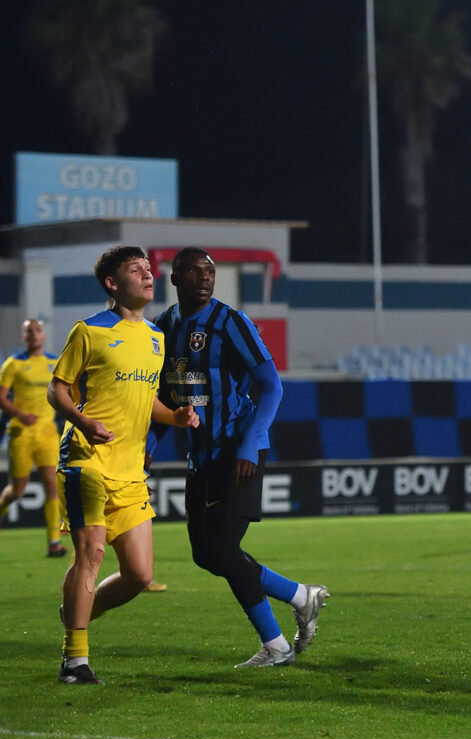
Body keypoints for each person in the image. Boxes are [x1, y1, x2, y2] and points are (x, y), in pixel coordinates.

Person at [149, 246, 328, 668]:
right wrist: (150, 447)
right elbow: (164, 398)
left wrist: (251, 442)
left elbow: (271, 385)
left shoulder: (231, 322)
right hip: (199, 456)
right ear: (174, 278)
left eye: (209, 271)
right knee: (205, 555)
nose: (204, 278)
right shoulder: (163, 328)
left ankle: (276, 646)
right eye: (194, 271)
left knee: (223, 548)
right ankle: (300, 595)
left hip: (239, 451)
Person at [48, 245, 198, 684]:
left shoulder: (155, 338)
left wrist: (176, 417)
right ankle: (75, 660)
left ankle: (76, 612)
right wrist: (83, 421)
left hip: (130, 471)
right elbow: (57, 390)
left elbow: (146, 400)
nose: (148, 276)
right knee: (91, 553)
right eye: (136, 270)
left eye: (148, 269)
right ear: (113, 284)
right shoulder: (89, 331)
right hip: (86, 459)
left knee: (139, 574)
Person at [0, 319, 65, 556]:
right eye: (29, 331)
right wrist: (20, 414)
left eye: (38, 331)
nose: (34, 335)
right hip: (21, 433)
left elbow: (63, 393)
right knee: (18, 490)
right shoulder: (14, 363)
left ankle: (54, 543)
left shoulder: (54, 363)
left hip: (47, 433)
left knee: (52, 485)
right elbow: (1, 397)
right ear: (23, 336)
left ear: (44, 336)